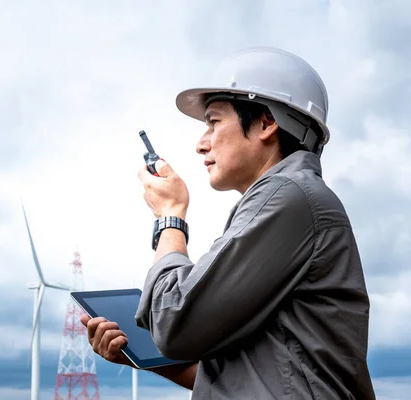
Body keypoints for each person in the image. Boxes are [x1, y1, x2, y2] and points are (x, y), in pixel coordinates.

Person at [80, 46, 376, 399]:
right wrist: (137, 355)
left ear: (267, 123)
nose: (200, 144)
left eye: (214, 122)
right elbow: (237, 379)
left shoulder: (288, 195)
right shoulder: (287, 201)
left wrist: (170, 216)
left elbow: (172, 323)